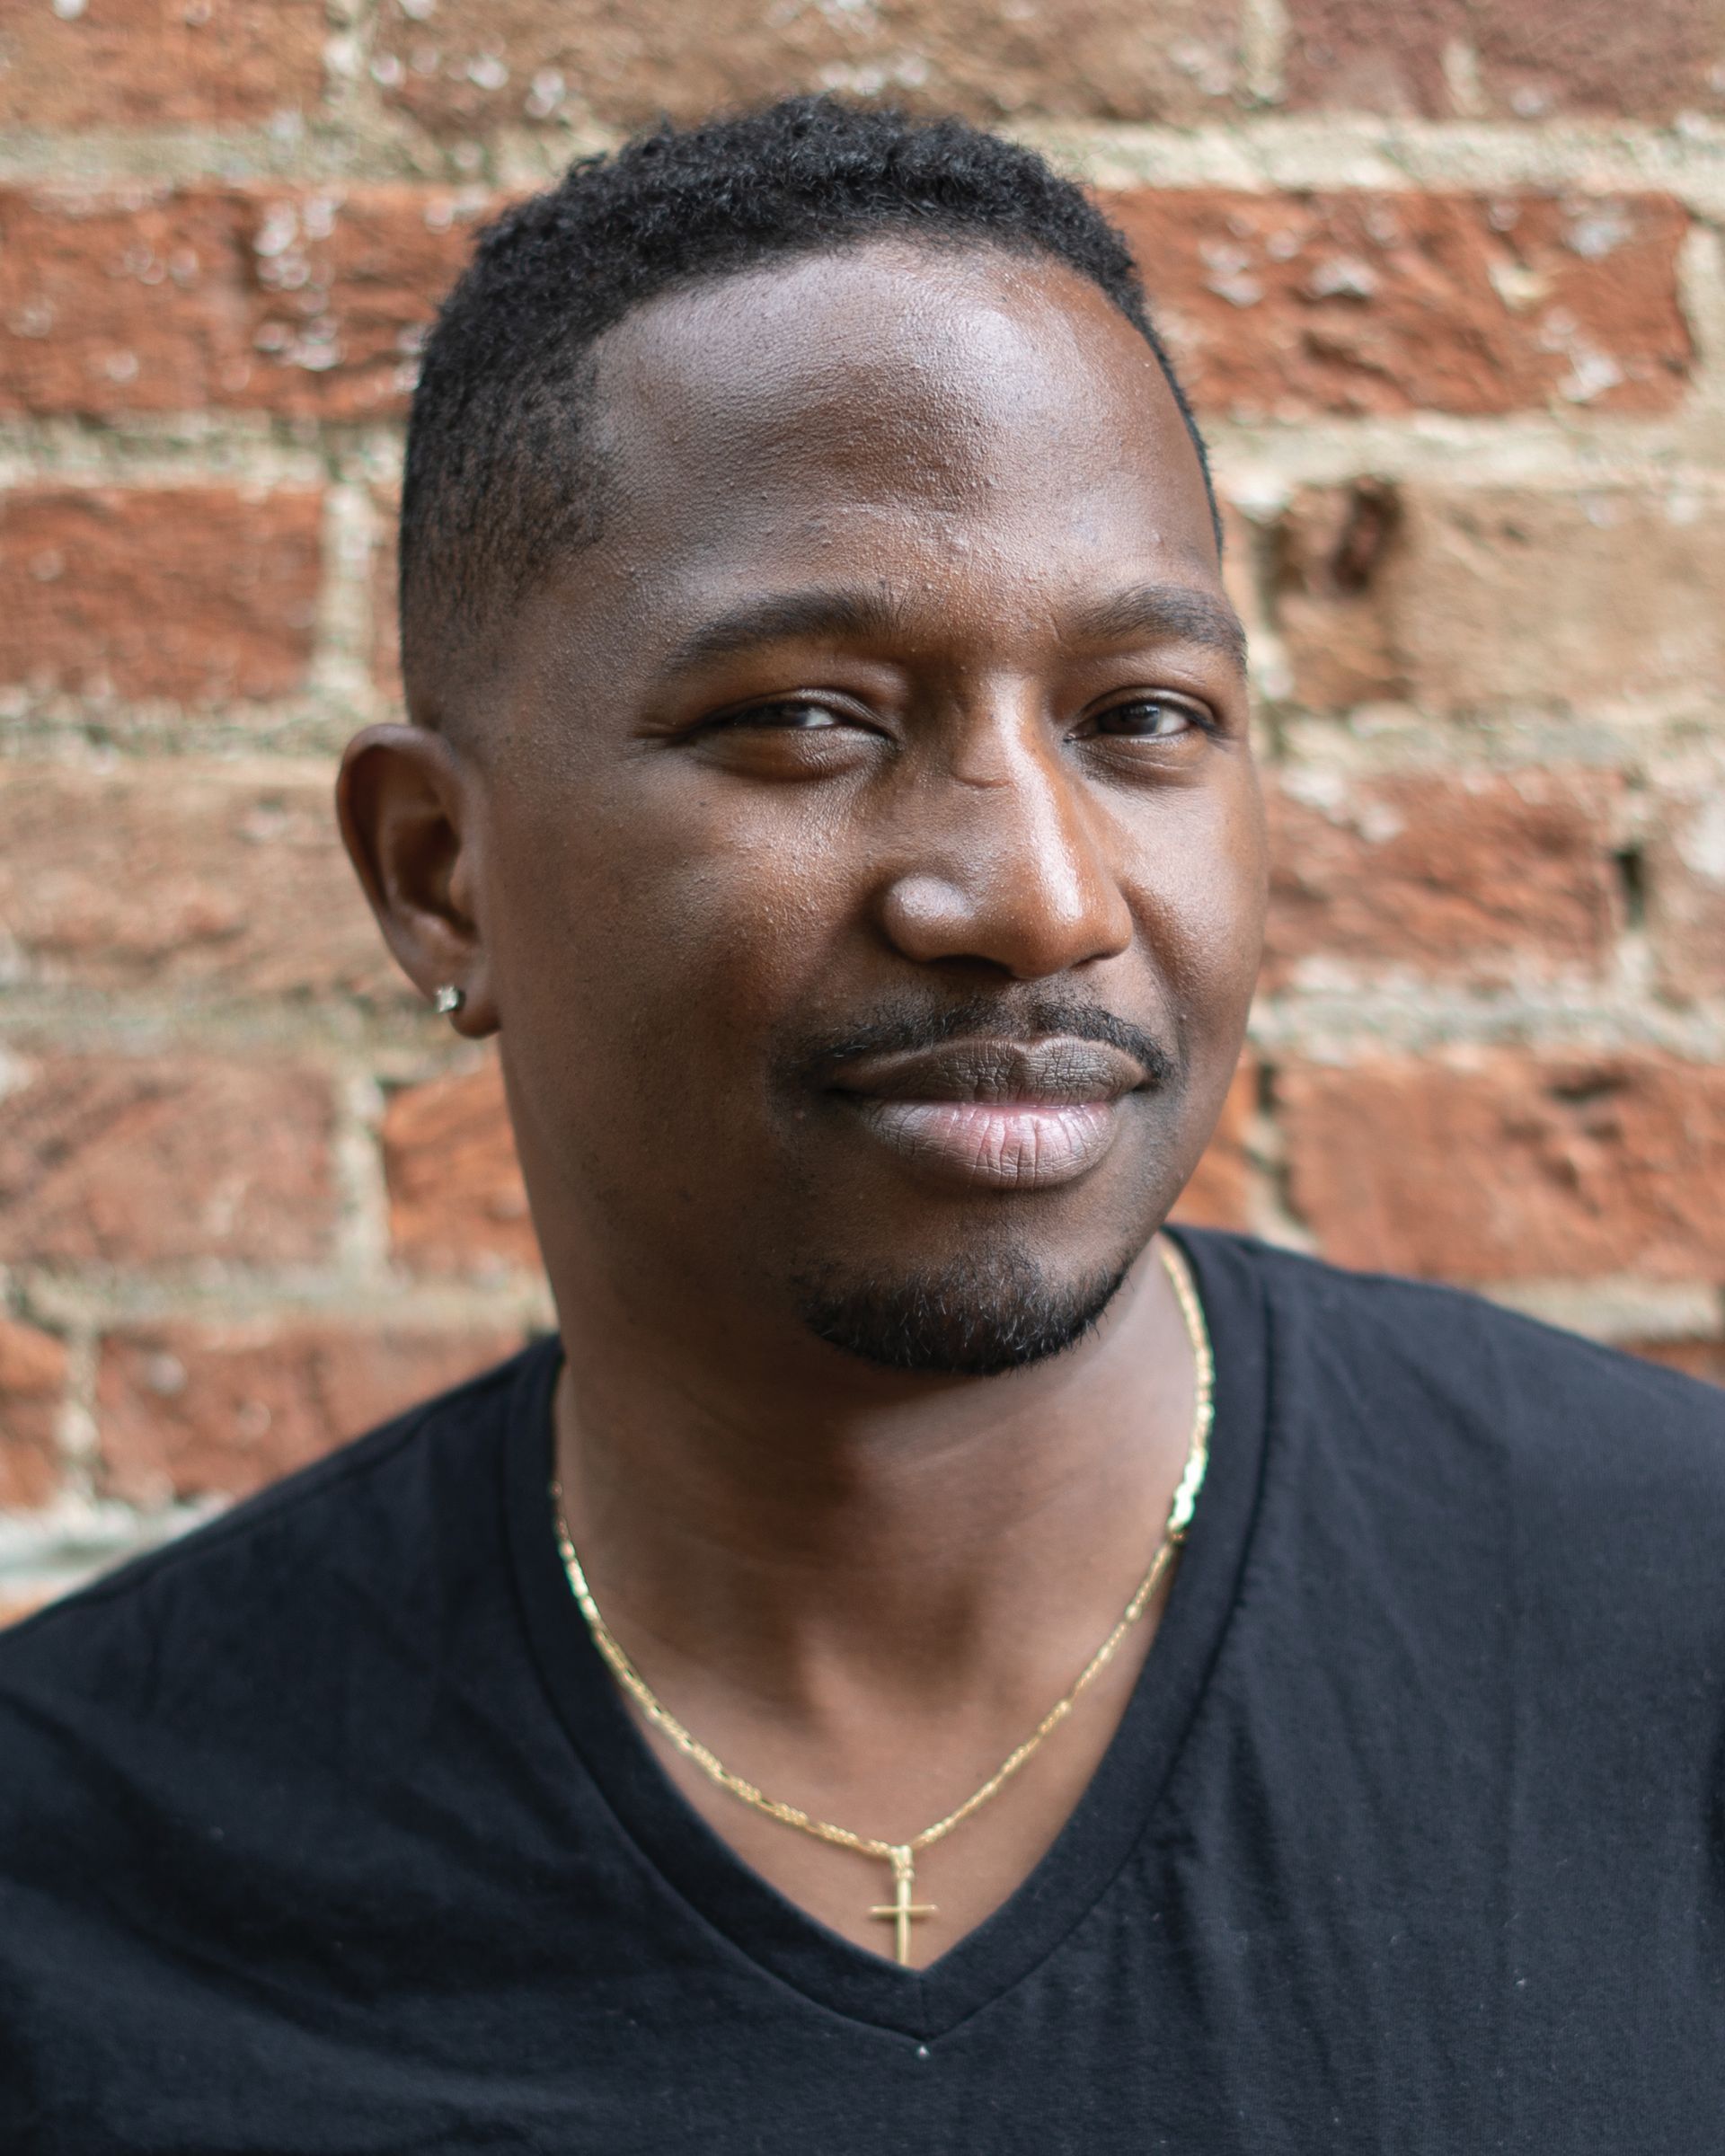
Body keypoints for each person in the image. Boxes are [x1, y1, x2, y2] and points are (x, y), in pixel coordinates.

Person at [1, 96, 1721, 2153]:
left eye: (1140, 719)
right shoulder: (80, 1867)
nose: (1038, 896)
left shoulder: (1673, 1636)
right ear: (439, 872)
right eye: (810, 717)